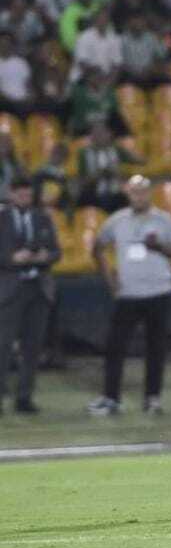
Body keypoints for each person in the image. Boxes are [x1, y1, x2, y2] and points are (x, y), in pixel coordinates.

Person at [88, 175, 171, 416]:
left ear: (149, 193)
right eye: (134, 192)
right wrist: (110, 281)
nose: (139, 196)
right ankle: (112, 398)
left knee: (156, 348)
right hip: (128, 293)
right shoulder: (117, 220)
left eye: (142, 191)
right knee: (115, 347)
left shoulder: (164, 219)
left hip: (158, 291)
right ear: (128, 194)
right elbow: (98, 248)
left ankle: (153, 399)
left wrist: (159, 246)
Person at [0, 177, 59, 415]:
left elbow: (56, 251)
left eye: (28, 194)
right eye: (21, 194)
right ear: (11, 194)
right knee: (2, 346)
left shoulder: (42, 218)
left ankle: (24, 398)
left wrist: (45, 257)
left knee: (32, 347)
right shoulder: (1, 219)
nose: (25, 198)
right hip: (9, 289)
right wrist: (12, 259)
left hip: (38, 288)